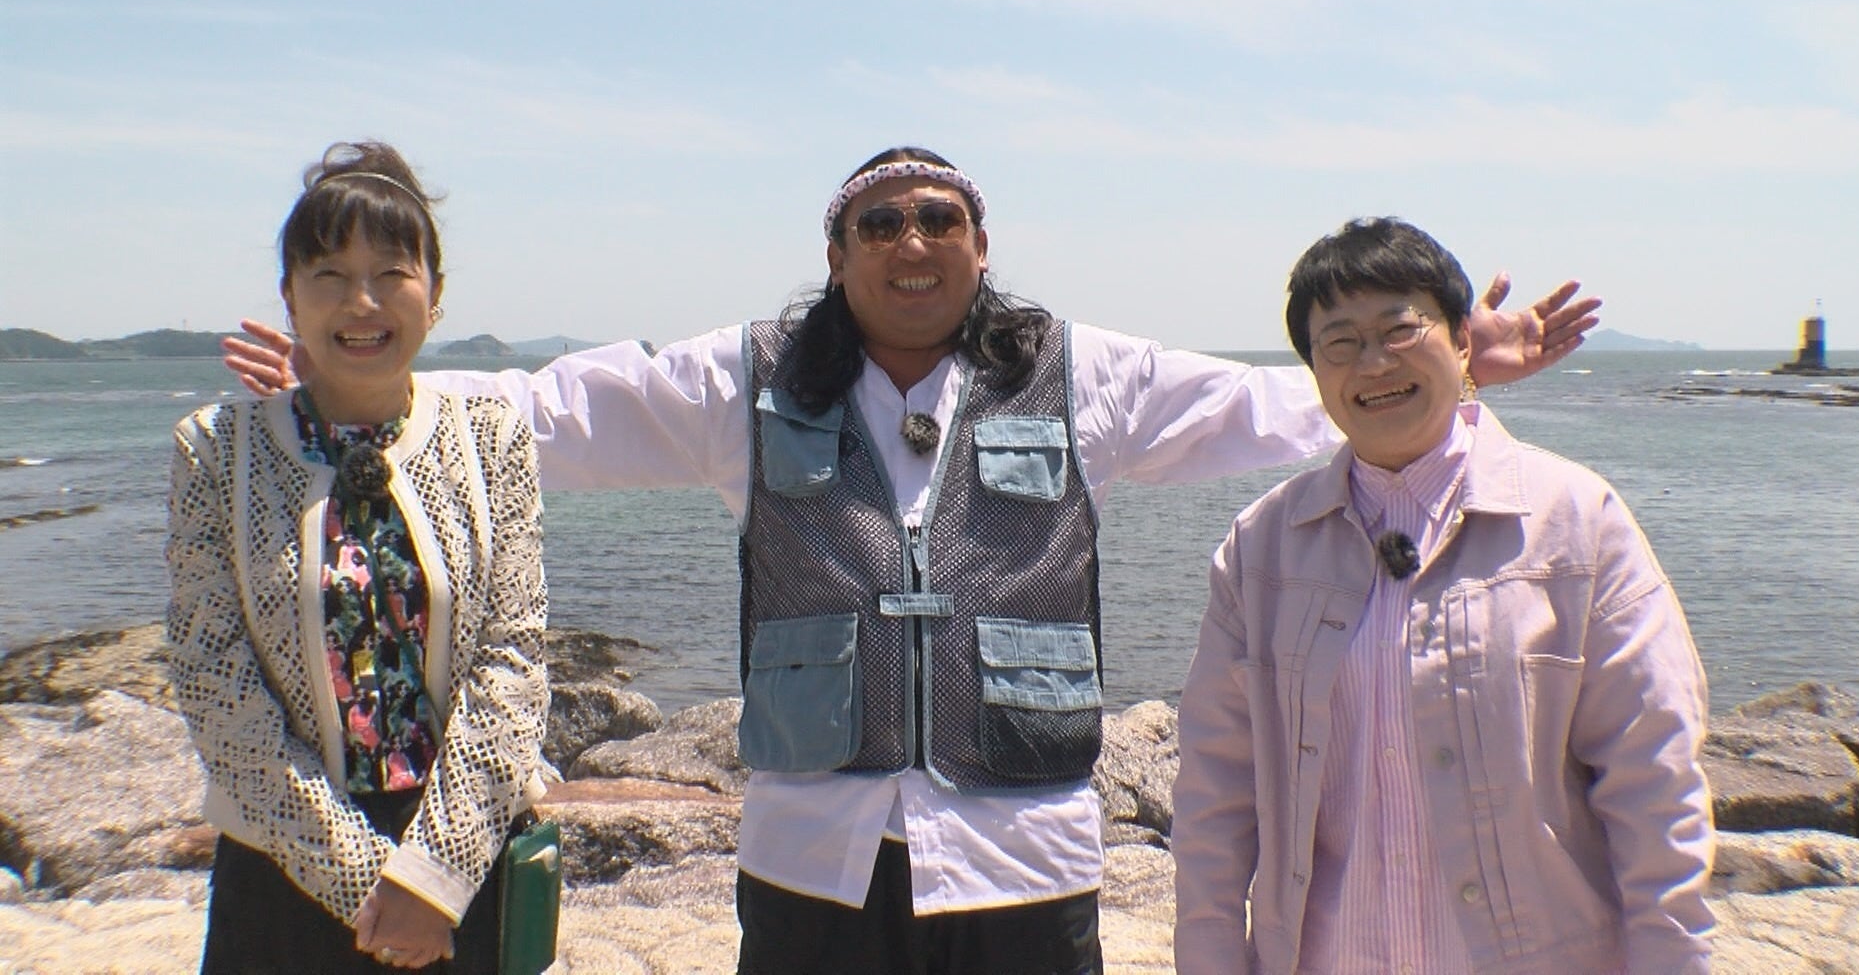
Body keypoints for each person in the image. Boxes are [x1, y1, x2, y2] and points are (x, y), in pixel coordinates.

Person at [224, 148, 1598, 975]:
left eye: (939, 217)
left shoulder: (1080, 374)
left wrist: (1449, 373)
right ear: (836, 256)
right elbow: (557, 410)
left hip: (1025, 858)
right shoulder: (746, 381)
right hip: (811, 860)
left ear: (982, 246)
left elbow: (1268, 405)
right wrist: (370, 383)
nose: (912, 240)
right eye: (878, 224)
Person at [1171, 218, 1713, 974]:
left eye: (1400, 329)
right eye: (1340, 343)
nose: (1373, 363)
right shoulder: (1263, 548)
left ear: (1462, 341)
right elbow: (1214, 799)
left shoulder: (1574, 521)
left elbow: (1654, 776)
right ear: (1315, 371)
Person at [169, 141, 551, 973]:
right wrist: (369, 888)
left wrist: (434, 877)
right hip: (280, 871)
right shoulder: (217, 450)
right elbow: (211, 677)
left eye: (391, 273)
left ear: (434, 295)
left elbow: (515, 660)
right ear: (290, 297)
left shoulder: (492, 440)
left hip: (466, 868)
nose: (363, 301)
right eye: (331, 276)